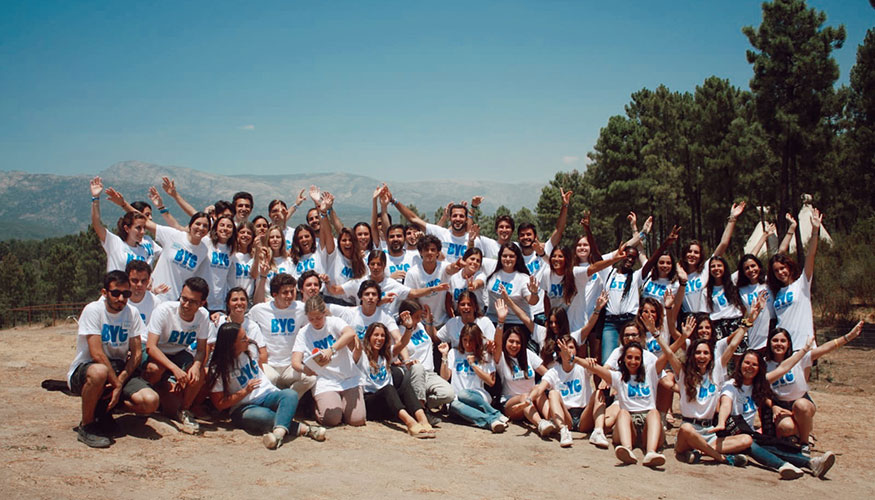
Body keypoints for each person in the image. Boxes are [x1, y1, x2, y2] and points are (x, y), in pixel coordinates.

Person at [658, 299, 767, 466]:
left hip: (710, 432)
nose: (701, 356)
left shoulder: (716, 369)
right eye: (698, 353)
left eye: (705, 353)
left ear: (711, 356)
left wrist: (749, 320)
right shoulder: (684, 372)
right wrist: (656, 334)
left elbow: (733, 345)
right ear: (693, 355)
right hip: (688, 431)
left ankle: (700, 450)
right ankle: (721, 458)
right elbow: (668, 353)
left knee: (746, 439)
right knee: (687, 429)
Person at [67, 271, 160, 448]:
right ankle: (87, 426)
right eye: (115, 293)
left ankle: (104, 408)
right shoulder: (93, 310)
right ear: (104, 293)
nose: (121, 298)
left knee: (151, 402)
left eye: (126, 294)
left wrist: (121, 379)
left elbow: (137, 352)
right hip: (88, 369)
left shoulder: (132, 312)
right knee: (100, 372)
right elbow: (97, 353)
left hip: (118, 370)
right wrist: (117, 385)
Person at [715, 344, 834, 479]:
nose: (749, 367)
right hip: (731, 433)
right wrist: (721, 422)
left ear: (759, 369)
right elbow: (725, 404)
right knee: (752, 444)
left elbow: (784, 367)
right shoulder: (730, 386)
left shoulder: (757, 385)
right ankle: (783, 465)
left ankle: (812, 463)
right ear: (740, 364)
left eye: (754, 365)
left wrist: (804, 350)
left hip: (749, 433)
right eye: (746, 363)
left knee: (772, 444)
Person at [208, 322, 326, 449]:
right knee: (264, 416)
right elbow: (219, 404)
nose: (248, 340)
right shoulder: (217, 369)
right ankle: (306, 429)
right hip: (243, 407)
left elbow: (261, 374)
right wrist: (244, 391)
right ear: (231, 344)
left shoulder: (250, 350)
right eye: (243, 339)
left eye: (246, 336)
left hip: (268, 395)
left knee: (290, 394)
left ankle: (278, 435)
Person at [765, 321, 864, 455]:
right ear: (769, 343)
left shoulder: (798, 357)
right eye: (775, 340)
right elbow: (761, 390)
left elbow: (825, 348)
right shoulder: (765, 364)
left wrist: (849, 336)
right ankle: (800, 431)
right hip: (781, 405)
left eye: (783, 341)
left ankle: (804, 443)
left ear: (788, 343)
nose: (779, 344)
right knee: (786, 428)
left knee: (801, 405)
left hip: (802, 403)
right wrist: (773, 406)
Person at [583, 341, 672, 468]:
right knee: (623, 412)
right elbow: (596, 368)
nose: (633, 361)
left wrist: (682, 337)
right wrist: (572, 358)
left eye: (637, 358)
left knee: (654, 412)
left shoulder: (651, 372)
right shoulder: (618, 377)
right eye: (629, 357)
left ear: (642, 360)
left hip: (648, 426)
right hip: (629, 426)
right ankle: (627, 449)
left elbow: (667, 354)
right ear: (623, 359)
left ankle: (651, 453)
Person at [143, 277, 211, 434]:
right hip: (157, 351)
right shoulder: (164, 310)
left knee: (199, 373)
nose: (186, 305)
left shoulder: (203, 316)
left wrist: (196, 365)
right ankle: (147, 403)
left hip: (178, 352)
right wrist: (175, 369)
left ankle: (184, 409)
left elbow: (201, 349)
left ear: (202, 303)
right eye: (184, 299)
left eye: (192, 302)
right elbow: (151, 347)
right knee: (154, 369)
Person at [291, 296, 364, 427]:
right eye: (311, 319)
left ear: (324, 313)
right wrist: (304, 369)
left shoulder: (334, 322)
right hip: (325, 380)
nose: (316, 322)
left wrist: (332, 349)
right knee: (332, 419)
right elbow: (295, 361)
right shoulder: (304, 332)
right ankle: (319, 407)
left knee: (357, 420)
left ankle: (343, 403)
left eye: (319, 318)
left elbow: (349, 333)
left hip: (347, 376)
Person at [353, 322, 436, 438]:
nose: (379, 338)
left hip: (389, 402)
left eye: (382, 336)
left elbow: (402, 343)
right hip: (371, 403)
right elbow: (355, 350)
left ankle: (423, 420)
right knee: (388, 389)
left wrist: (408, 328)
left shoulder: (386, 355)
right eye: (375, 335)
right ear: (369, 337)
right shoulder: (362, 356)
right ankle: (410, 423)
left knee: (405, 387)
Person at [527, 336, 606, 448]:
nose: (567, 350)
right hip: (566, 415)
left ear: (576, 350)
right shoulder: (554, 372)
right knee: (553, 393)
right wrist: (529, 399)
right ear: (559, 353)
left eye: (571, 347)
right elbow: (540, 388)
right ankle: (564, 431)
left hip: (584, 415)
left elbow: (599, 371)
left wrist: (588, 361)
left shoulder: (582, 367)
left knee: (598, 393)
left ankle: (598, 432)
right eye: (563, 348)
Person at [491, 300, 553, 437]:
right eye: (511, 341)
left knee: (538, 390)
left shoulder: (527, 354)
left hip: (531, 400)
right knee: (525, 396)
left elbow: (547, 374)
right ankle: (541, 424)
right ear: (505, 342)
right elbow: (497, 343)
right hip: (511, 404)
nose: (514, 345)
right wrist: (501, 321)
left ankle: (554, 421)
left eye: (518, 342)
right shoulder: (500, 357)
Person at [248, 274, 316, 396]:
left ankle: (288, 399)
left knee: (310, 378)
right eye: (285, 293)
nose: (289, 296)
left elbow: (312, 328)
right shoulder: (259, 310)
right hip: (269, 364)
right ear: (274, 294)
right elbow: (245, 324)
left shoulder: (302, 309)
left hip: (291, 365)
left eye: (292, 291)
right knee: (267, 379)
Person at [767, 208, 823, 349]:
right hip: (782, 348)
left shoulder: (802, 284)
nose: (780, 272)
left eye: (783, 268)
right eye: (776, 271)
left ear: (789, 267)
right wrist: (791, 229)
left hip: (803, 347)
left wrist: (815, 231)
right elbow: (778, 254)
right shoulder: (777, 292)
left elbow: (810, 255)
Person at [393, 300, 455, 423]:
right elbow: (401, 347)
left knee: (449, 394)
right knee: (418, 367)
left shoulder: (421, 325)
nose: (419, 319)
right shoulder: (398, 331)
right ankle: (421, 413)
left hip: (430, 373)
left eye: (420, 316)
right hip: (413, 372)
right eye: (416, 317)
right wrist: (406, 361)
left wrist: (429, 322)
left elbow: (431, 338)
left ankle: (412, 404)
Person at [438, 323, 507, 433]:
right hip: (457, 399)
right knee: (455, 404)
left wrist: (474, 365)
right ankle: (492, 420)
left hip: (477, 396)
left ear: (477, 340)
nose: (467, 344)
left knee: (464, 394)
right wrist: (444, 356)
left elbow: (491, 382)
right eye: (465, 340)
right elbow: (445, 377)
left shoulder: (485, 355)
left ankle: (493, 414)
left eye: (471, 340)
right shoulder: (454, 353)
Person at [679, 202, 746, 316]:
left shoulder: (705, 270)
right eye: (689, 251)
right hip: (687, 318)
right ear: (684, 254)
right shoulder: (679, 276)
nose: (692, 255)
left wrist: (732, 219)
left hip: (705, 318)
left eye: (696, 252)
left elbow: (723, 243)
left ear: (700, 256)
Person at [90, 177, 153, 272]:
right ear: (127, 228)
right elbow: (96, 223)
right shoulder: (114, 243)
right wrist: (95, 198)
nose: (143, 232)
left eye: (144, 227)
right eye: (138, 228)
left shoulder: (143, 251)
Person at [207, 287, 268, 365]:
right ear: (228, 304)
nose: (239, 303)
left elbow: (263, 354)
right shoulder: (218, 323)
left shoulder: (253, 326)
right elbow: (209, 348)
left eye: (242, 299)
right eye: (234, 300)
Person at [404, 235, 452, 327]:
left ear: (438, 252)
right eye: (426, 250)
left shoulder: (444, 267)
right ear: (421, 252)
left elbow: (452, 268)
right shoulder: (412, 273)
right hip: (421, 323)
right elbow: (410, 298)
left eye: (433, 250)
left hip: (444, 322)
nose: (429, 252)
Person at [203, 215, 237, 313]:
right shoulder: (206, 242)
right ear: (216, 227)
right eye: (222, 225)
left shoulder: (231, 250)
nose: (225, 229)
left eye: (229, 226)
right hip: (202, 299)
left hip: (219, 303)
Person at [125, 260, 167, 327]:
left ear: (148, 281)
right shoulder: (118, 298)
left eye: (143, 281)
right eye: (135, 280)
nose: (139, 284)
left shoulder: (155, 303)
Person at [227, 221, 257, 299]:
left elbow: (254, 275)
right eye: (242, 232)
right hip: (231, 298)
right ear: (237, 235)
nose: (245, 235)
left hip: (248, 300)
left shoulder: (254, 257)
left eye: (249, 233)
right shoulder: (231, 254)